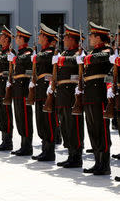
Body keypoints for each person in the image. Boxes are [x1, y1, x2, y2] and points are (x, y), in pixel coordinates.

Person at [78, 22, 113, 175]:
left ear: (99, 37)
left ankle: (104, 164)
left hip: (99, 96)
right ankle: (97, 161)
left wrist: (85, 58)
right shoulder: (93, 52)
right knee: (92, 130)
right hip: (90, 95)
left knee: (101, 130)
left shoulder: (107, 50)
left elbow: (101, 57)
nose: (90, 38)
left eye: (92, 36)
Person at [54, 25, 85, 168]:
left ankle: (76, 156)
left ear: (73, 40)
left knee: (73, 126)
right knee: (65, 126)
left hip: (72, 95)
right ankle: (70, 154)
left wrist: (60, 60)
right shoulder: (65, 52)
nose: (64, 39)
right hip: (62, 94)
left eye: (66, 37)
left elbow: (75, 61)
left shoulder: (78, 53)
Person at [31, 23, 57, 161]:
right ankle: (44, 148)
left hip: (47, 90)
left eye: (41, 35)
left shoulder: (51, 53)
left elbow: (45, 59)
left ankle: (50, 150)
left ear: (47, 39)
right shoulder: (41, 53)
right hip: (39, 90)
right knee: (40, 121)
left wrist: (36, 57)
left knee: (48, 121)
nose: (39, 37)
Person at [8, 26, 34, 156]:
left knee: (24, 118)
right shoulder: (19, 54)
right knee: (19, 117)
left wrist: (14, 60)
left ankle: (27, 145)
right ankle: (23, 144)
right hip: (17, 89)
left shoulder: (27, 54)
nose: (16, 39)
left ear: (23, 39)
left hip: (24, 90)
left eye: (18, 37)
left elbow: (25, 65)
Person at [0, 26, 15, 151]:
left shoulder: (10, 53)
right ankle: (3, 139)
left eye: (1, 36)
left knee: (5, 114)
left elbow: (10, 64)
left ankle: (8, 141)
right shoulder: (1, 52)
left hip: (4, 87)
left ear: (6, 39)